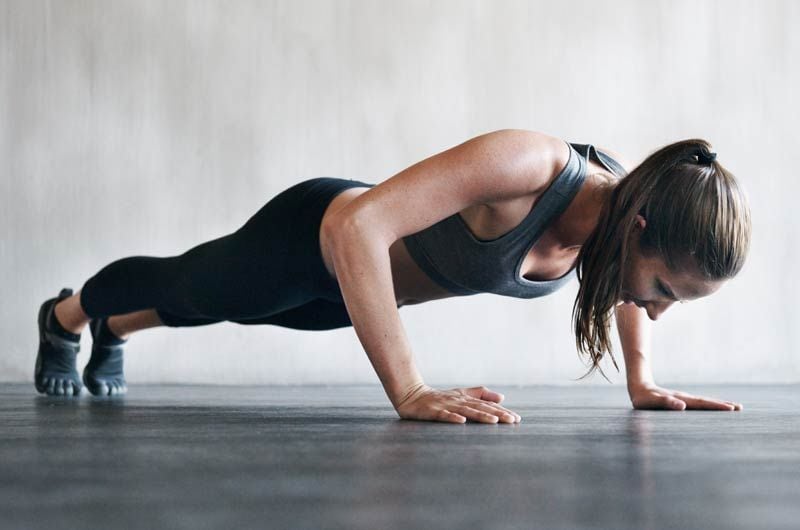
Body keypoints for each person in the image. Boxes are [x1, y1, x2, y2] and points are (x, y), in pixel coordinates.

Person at [34, 129, 751, 424]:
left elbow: (621, 289)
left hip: (354, 297)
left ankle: (115, 330)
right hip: (311, 240)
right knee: (186, 284)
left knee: (218, 307)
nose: (654, 309)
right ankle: (66, 318)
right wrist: (409, 388)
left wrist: (641, 381)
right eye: (665, 289)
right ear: (640, 228)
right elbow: (360, 227)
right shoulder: (532, 167)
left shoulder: (619, 222)